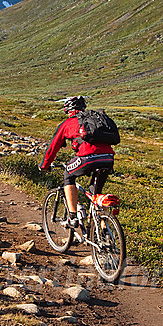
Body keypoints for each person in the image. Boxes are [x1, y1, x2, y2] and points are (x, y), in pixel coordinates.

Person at [38, 96, 115, 229]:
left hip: (88, 157)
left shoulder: (67, 123)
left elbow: (52, 148)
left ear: (67, 109)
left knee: (68, 173)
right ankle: (104, 231)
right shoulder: (95, 119)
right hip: (108, 158)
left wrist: (45, 165)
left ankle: (72, 217)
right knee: (95, 195)